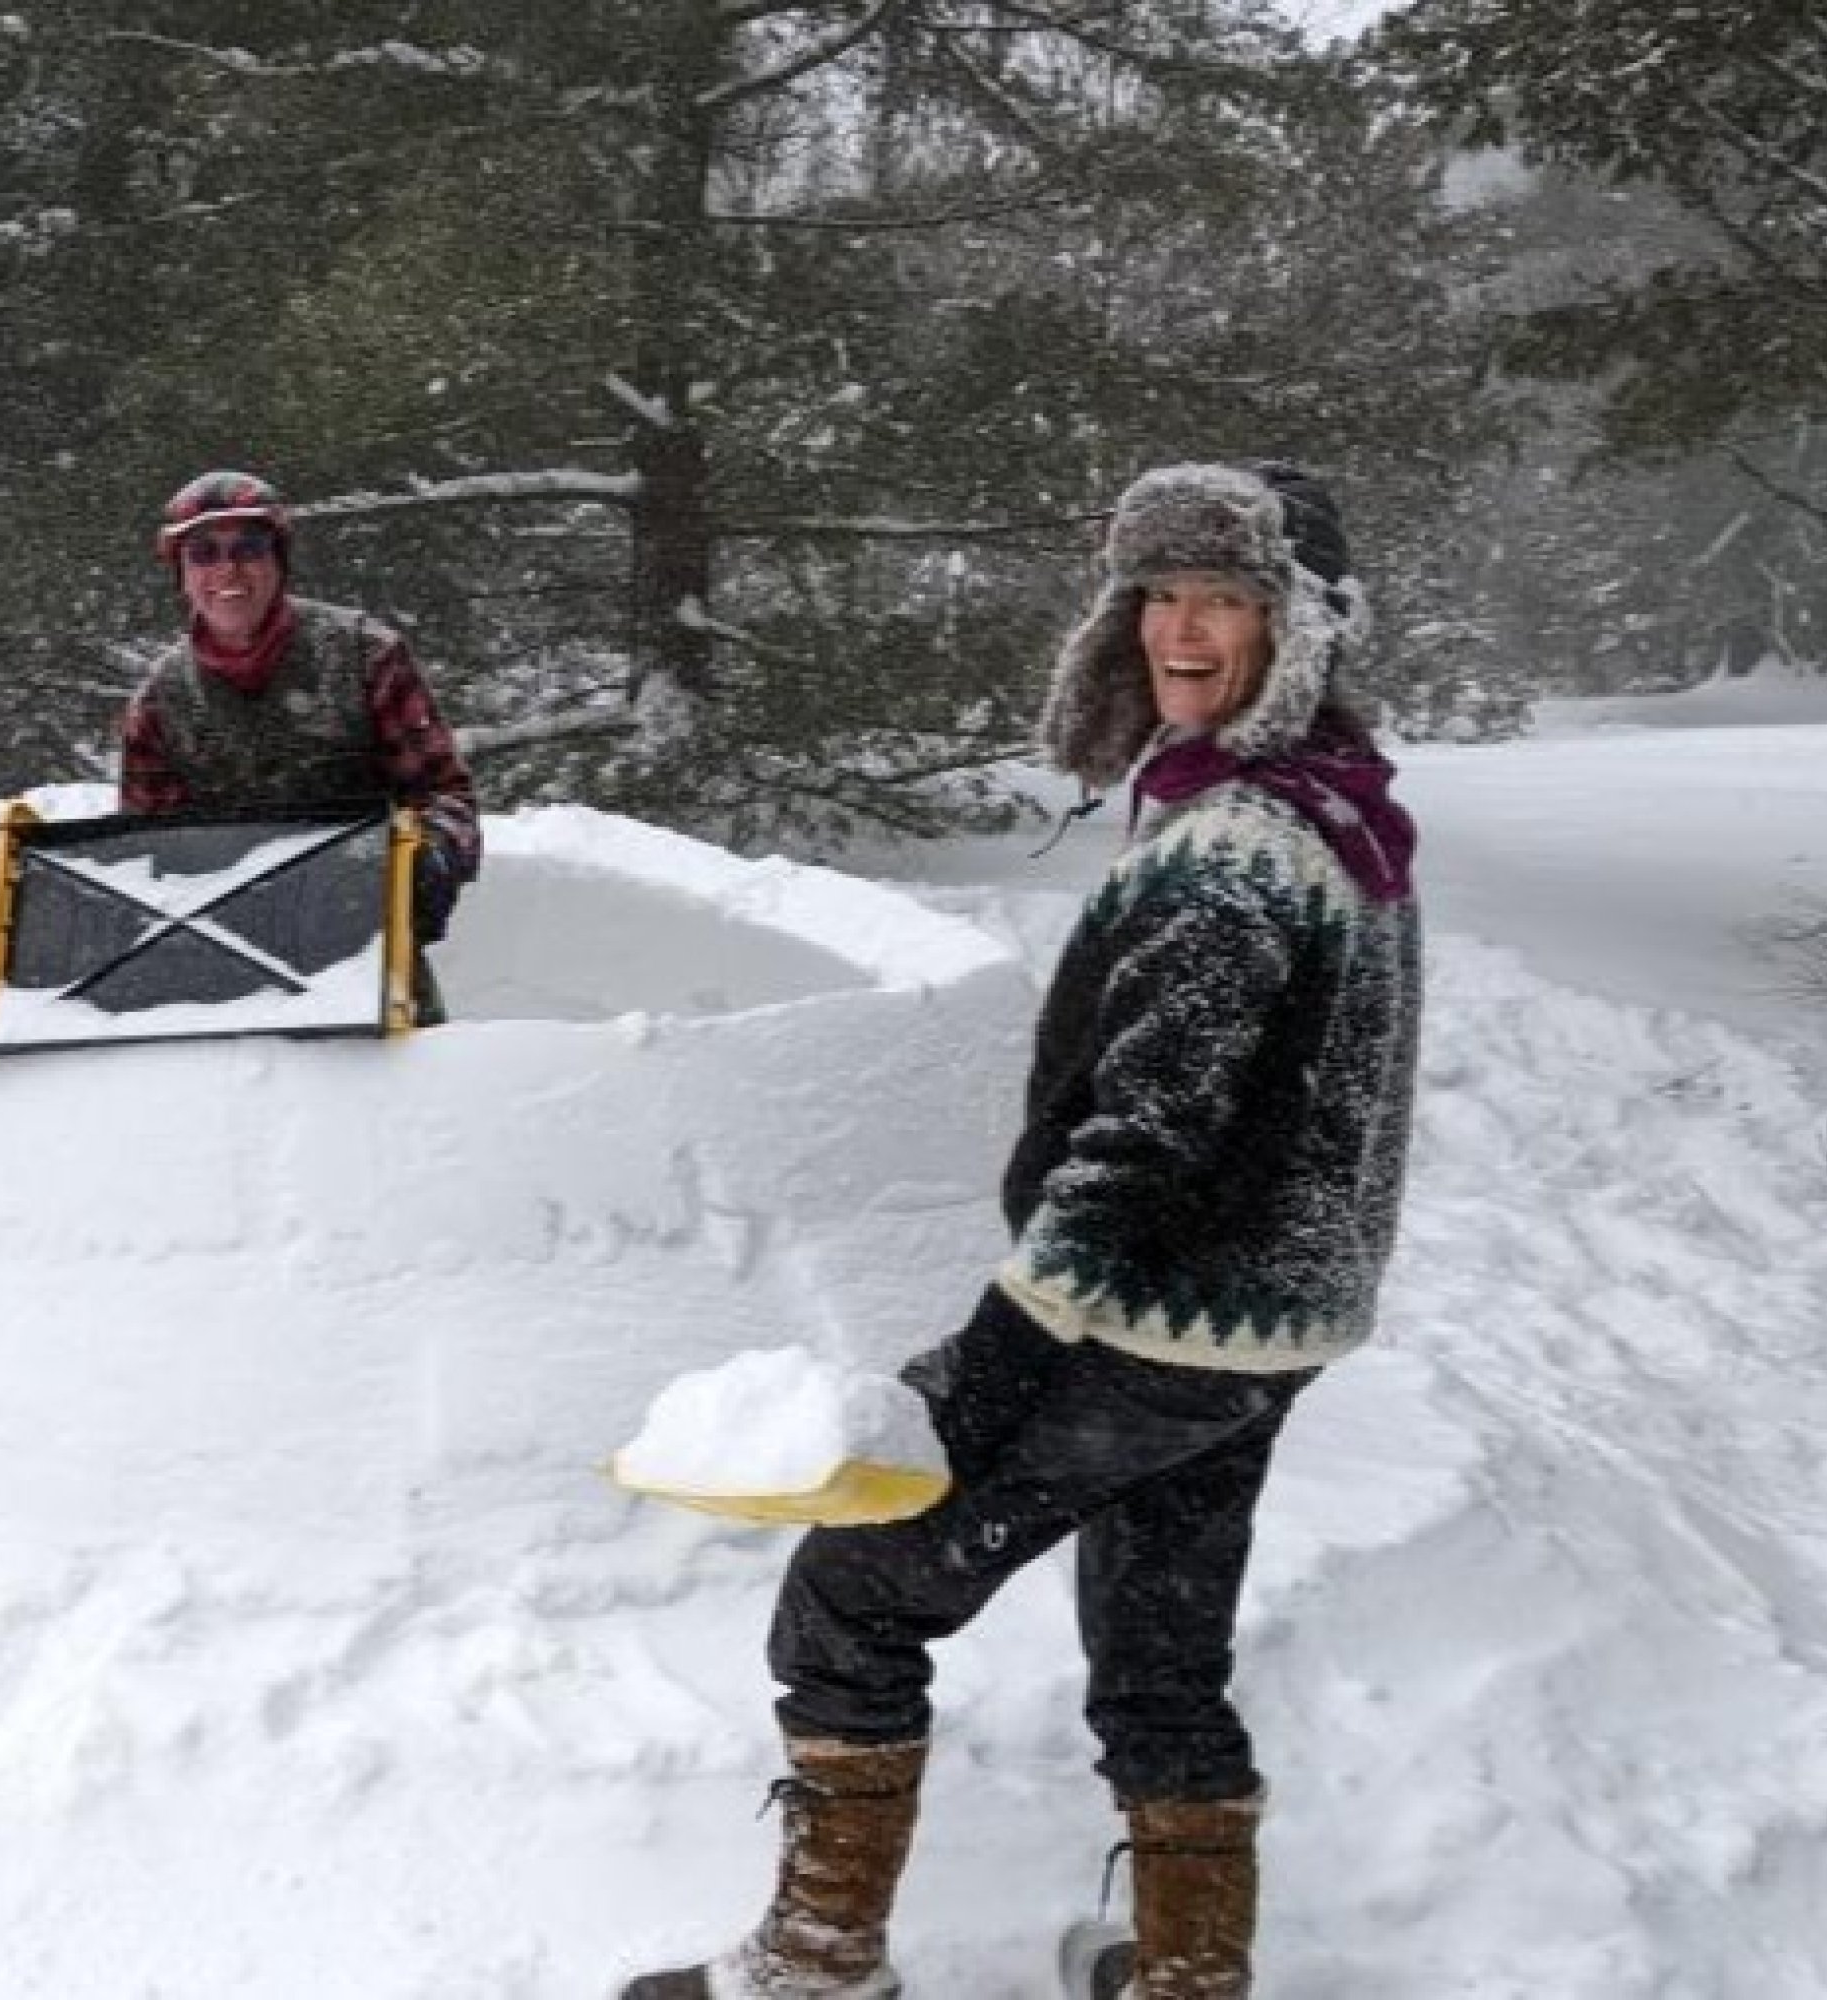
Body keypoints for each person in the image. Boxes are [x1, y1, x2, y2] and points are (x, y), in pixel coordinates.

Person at [623, 462, 1423, 2000]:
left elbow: (1144, 1141)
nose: (1179, 631)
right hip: (1264, 1335)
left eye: (1225, 600)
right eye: (1158, 596)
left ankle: (817, 1963)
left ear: (1300, 628)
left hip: (1147, 1329)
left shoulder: (1236, 849)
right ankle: (1189, 1973)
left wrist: (1001, 1353)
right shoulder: (1346, 813)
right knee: (1161, 1650)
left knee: (853, 1597)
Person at [119, 468, 480, 1017]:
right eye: (204, 553)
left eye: (249, 547)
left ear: (279, 560)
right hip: (223, 985)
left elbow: (446, 797)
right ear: (182, 574)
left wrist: (428, 859)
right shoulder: (157, 702)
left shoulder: (366, 654)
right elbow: (143, 857)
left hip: (372, 970)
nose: (228, 569)